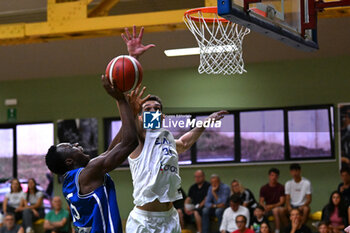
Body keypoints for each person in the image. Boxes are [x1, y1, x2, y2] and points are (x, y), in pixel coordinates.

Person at [120, 26, 228, 233]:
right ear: (140, 115)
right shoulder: (137, 138)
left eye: (157, 109)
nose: (153, 110)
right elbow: (128, 102)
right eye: (147, 108)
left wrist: (206, 122)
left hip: (169, 218)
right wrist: (133, 59)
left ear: (162, 115)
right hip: (144, 220)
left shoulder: (168, 137)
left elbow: (185, 142)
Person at [45, 74, 139, 233]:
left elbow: (110, 151)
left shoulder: (73, 180)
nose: (75, 144)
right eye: (71, 146)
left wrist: (130, 113)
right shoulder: (87, 174)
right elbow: (130, 142)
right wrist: (121, 100)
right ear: (69, 161)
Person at [259, 168, 286, 233]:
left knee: (275, 210)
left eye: (275, 176)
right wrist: (265, 207)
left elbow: (282, 202)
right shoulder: (264, 188)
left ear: (278, 177)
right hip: (267, 208)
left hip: (278, 208)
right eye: (272, 175)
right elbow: (261, 201)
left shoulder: (281, 187)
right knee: (259, 212)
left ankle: (277, 230)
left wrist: (271, 206)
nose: (273, 177)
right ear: (269, 176)